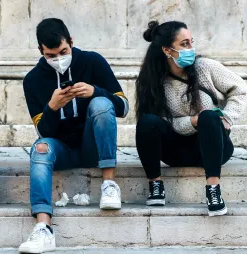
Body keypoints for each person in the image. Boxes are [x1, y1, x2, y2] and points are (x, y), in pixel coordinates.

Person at [19, 18, 129, 253]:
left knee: (100, 103)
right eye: (51, 55)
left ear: (71, 42)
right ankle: (43, 228)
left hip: (94, 148)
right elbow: (43, 133)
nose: (58, 59)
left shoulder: (92, 62)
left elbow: (124, 107)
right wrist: (52, 107)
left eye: (63, 51)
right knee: (39, 148)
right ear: (41, 51)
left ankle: (109, 184)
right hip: (62, 150)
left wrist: (95, 91)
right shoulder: (33, 80)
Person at [135, 20, 247, 216]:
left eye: (191, 42)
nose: (191, 49)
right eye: (184, 44)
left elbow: (241, 91)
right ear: (167, 50)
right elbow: (162, 121)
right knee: (146, 122)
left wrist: (227, 118)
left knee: (208, 117)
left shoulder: (205, 67)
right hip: (175, 150)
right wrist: (191, 122)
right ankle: (156, 186)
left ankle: (213, 190)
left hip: (213, 147)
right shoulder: (152, 82)